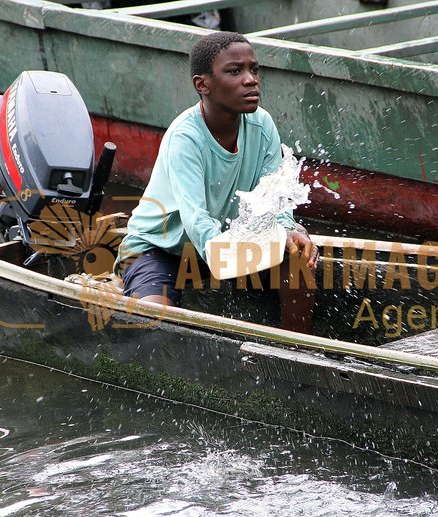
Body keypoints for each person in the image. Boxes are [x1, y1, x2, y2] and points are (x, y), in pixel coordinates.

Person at [115, 31, 318, 329]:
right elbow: (197, 224)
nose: (251, 80)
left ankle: (296, 355)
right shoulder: (186, 137)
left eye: (254, 70)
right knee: (153, 322)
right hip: (161, 249)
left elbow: (277, 199)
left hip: (225, 245)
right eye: (235, 71)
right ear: (203, 84)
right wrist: (247, 249)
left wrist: (286, 229)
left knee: (297, 251)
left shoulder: (262, 124)